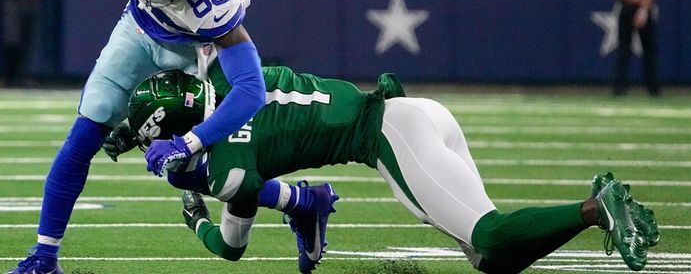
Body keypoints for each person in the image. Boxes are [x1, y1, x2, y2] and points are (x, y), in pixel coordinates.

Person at [113, 64, 660, 274]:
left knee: (489, 237)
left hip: (392, 136)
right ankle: (591, 209)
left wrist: (194, 203)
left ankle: (597, 208)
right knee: (491, 260)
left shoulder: (228, 162)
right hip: (415, 115)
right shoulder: (235, 78)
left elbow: (240, 206)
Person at [7, 0, 267, 274]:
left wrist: (190, 142)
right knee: (84, 135)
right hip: (136, 31)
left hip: (189, 57)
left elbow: (252, 89)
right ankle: (44, 257)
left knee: (197, 172)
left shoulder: (217, 5)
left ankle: (299, 200)